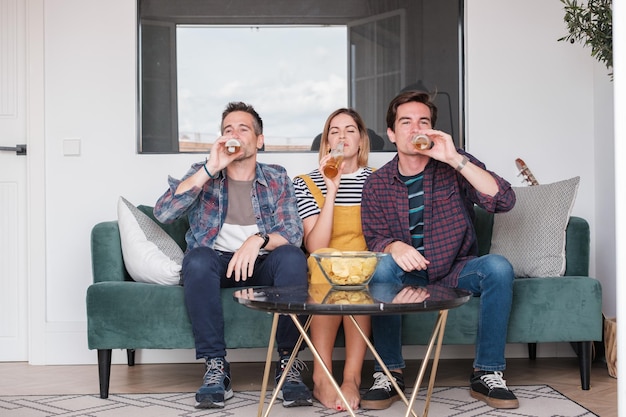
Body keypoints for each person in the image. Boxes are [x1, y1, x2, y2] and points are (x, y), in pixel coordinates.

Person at [359, 90, 519, 410]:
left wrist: (455, 158)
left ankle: (487, 373)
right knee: (381, 267)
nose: (415, 128)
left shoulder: (452, 164)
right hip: (407, 275)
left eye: (424, 122)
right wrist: (394, 245)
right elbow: (374, 237)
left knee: (499, 267)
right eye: (406, 122)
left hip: (456, 268)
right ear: (391, 133)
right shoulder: (376, 184)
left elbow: (503, 200)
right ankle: (389, 372)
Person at [153, 102, 312, 409]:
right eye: (228, 129)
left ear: (259, 140)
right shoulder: (205, 173)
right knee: (196, 259)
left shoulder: (277, 177)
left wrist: (257, 240)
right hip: (217, 264)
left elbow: (293, 233)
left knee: (293, 257)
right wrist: (210, 168)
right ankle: (216, 367)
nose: (234, 134)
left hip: (262, 263)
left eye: (243, 128)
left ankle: (288, 367)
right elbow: (164, 213)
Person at [293, 108, 374, 411]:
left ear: (361, 140)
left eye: (350, 130)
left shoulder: (378, 181)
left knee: (357, 274)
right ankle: (322, 376)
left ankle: (351, 378)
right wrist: (332, 187)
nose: (342, 136)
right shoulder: (305, 183)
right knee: (326, 264)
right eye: (335, 131)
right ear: (327, 142)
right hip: (323, 264)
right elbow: (315, 245)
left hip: (364, 266)